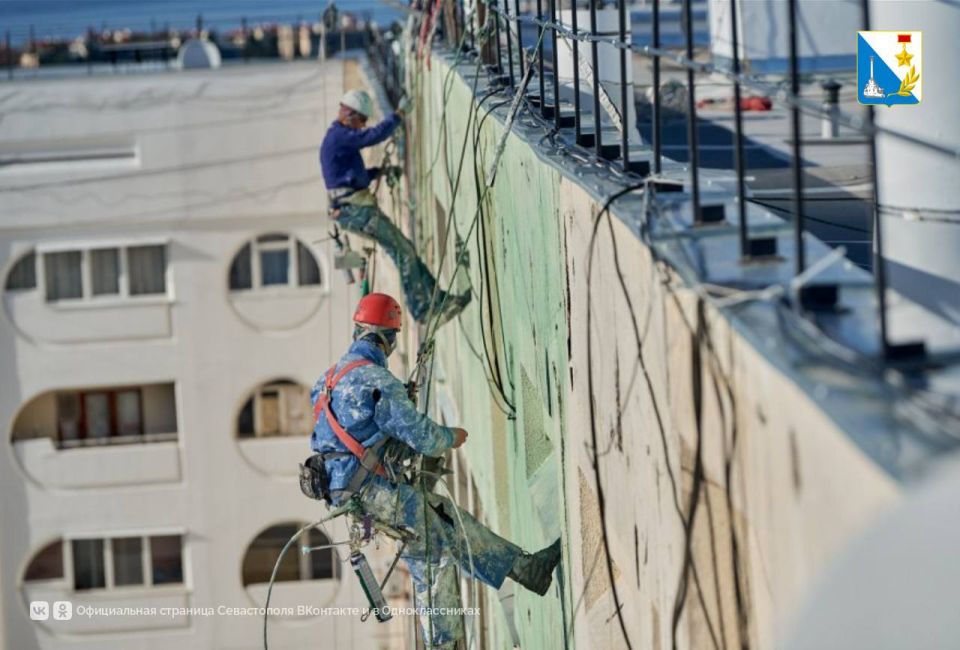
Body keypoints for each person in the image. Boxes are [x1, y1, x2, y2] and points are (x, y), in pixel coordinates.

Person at [309, 293, 562, 649]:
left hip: (349, 493)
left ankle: (525, 569)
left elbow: (348, 438)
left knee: (445, 519)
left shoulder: (325, 382)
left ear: (358, 331)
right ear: (389, 338)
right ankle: (444, 645)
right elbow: (424, 438)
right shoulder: (376, 382)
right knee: (433, 555)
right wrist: (450, 437)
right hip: (371, 492)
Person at [320, 89, 470, 326]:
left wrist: (379, 172)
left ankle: (436, 299)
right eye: (361, 121)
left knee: (405, 249)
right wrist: (399, 114)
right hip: (355, 210)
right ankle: (423, 310)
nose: (361, 126)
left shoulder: (339, 138)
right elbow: (371, 137)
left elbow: (350, 177)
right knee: (403, 252)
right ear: (349, 114)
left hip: (353, 208)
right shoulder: (339, 136)